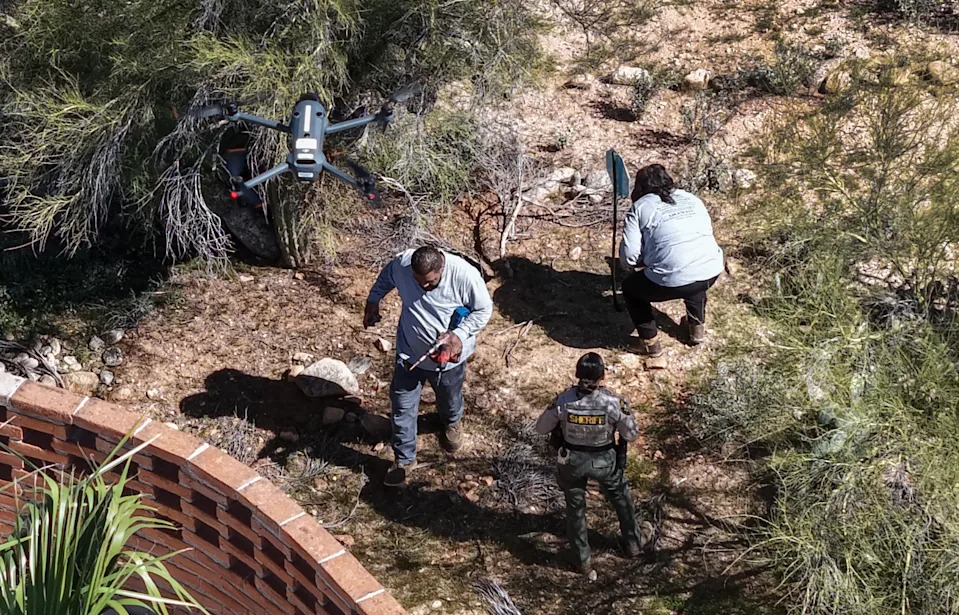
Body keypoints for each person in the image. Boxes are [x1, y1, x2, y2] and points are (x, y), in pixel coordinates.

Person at [364, 245, 493, 486]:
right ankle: (404, 460)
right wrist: (373, 300)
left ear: (441, 268)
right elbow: (387, 276)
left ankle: (452, 422)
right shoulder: (402, 264)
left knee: (449, 396)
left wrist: (459, 335)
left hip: (448, 361)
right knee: (402, 406)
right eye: (418, 281)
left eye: (431, 282)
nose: (423, 287)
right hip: (409, 354)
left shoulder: (465, 276)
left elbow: (484, 309)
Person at [535, 352, 641, 581]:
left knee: (575, 510)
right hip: (604, 461)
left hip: (571, 461)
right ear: (601, 376)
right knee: (621, 498)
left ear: (577, 375)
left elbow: (541, 428)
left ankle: (582, 560)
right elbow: (631, 434)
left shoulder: (564, 401)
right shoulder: (612, 403)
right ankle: (633, 544)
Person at [619, 164, 724, 357]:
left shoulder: (640, 207)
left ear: (640, 187)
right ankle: (696, 328)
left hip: (672, 279)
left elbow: (630, 256)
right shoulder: (692, 198)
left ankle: (649, 343)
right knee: (694, 279)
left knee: (631, 289)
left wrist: (640, 262)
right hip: (711, 269)